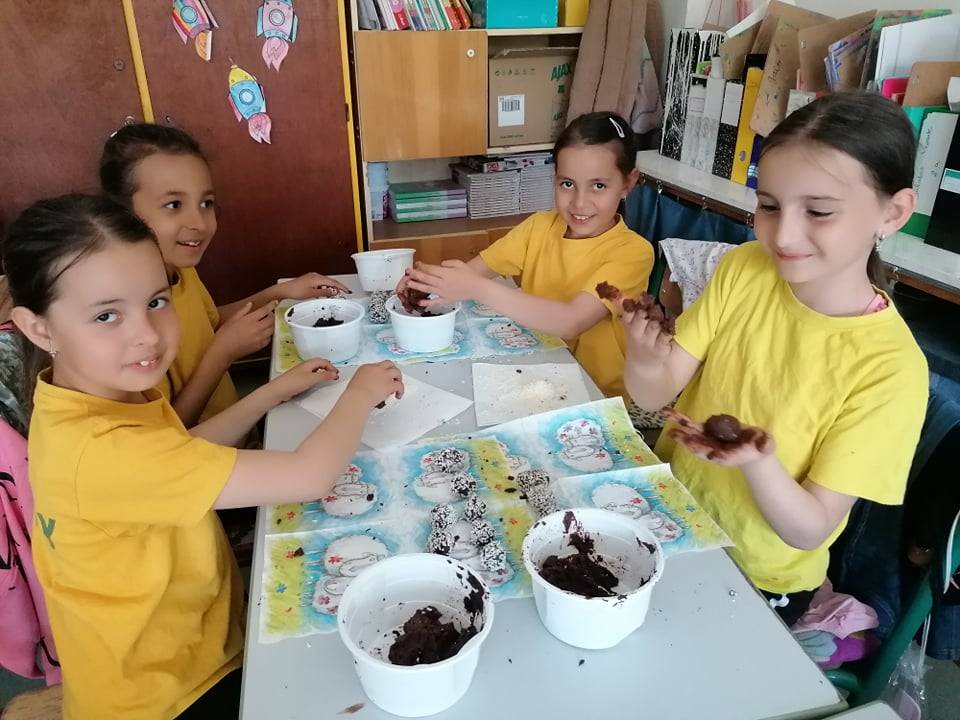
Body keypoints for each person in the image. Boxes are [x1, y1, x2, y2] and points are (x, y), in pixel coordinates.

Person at [3, 193, 403, 719]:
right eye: (106, 315)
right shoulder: (99, 450)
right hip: (172, 692)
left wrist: (270, 393)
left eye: (156, 301)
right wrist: (360, 392)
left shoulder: (82, 396)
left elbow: (180, 452)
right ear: (38, 327)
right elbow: (309, 476)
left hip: (186, 640)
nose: (147, 335)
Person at [621, 92, 928, 625]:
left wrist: (758, 463)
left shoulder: (891, 369)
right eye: (768, 206)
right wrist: (645, 360)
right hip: (672, 517)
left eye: (819, 211)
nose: (783, 235)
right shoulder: (745, 268)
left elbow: (809, 528)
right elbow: (654, 392)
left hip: (758, 575)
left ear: (893, 212)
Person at [100, 123, 350, 425]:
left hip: (236, 426)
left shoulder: (181, 271)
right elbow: (173, 432)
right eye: (174, 205)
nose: (199, 222)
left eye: (206, 203)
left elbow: (208, 322)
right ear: (122, 214)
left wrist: (282, 292)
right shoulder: (131, 318)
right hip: (203, 447)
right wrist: (223, 353)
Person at [397, 111, 653, 399]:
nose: (580, 203)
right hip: (535, 372)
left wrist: (476, 288)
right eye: (567, 184)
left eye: (599, 186)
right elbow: (471, 273)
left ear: (628, 183)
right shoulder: (538, 228)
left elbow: (572, 321)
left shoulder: (633, 253)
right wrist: (422, 283)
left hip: (594, 393)